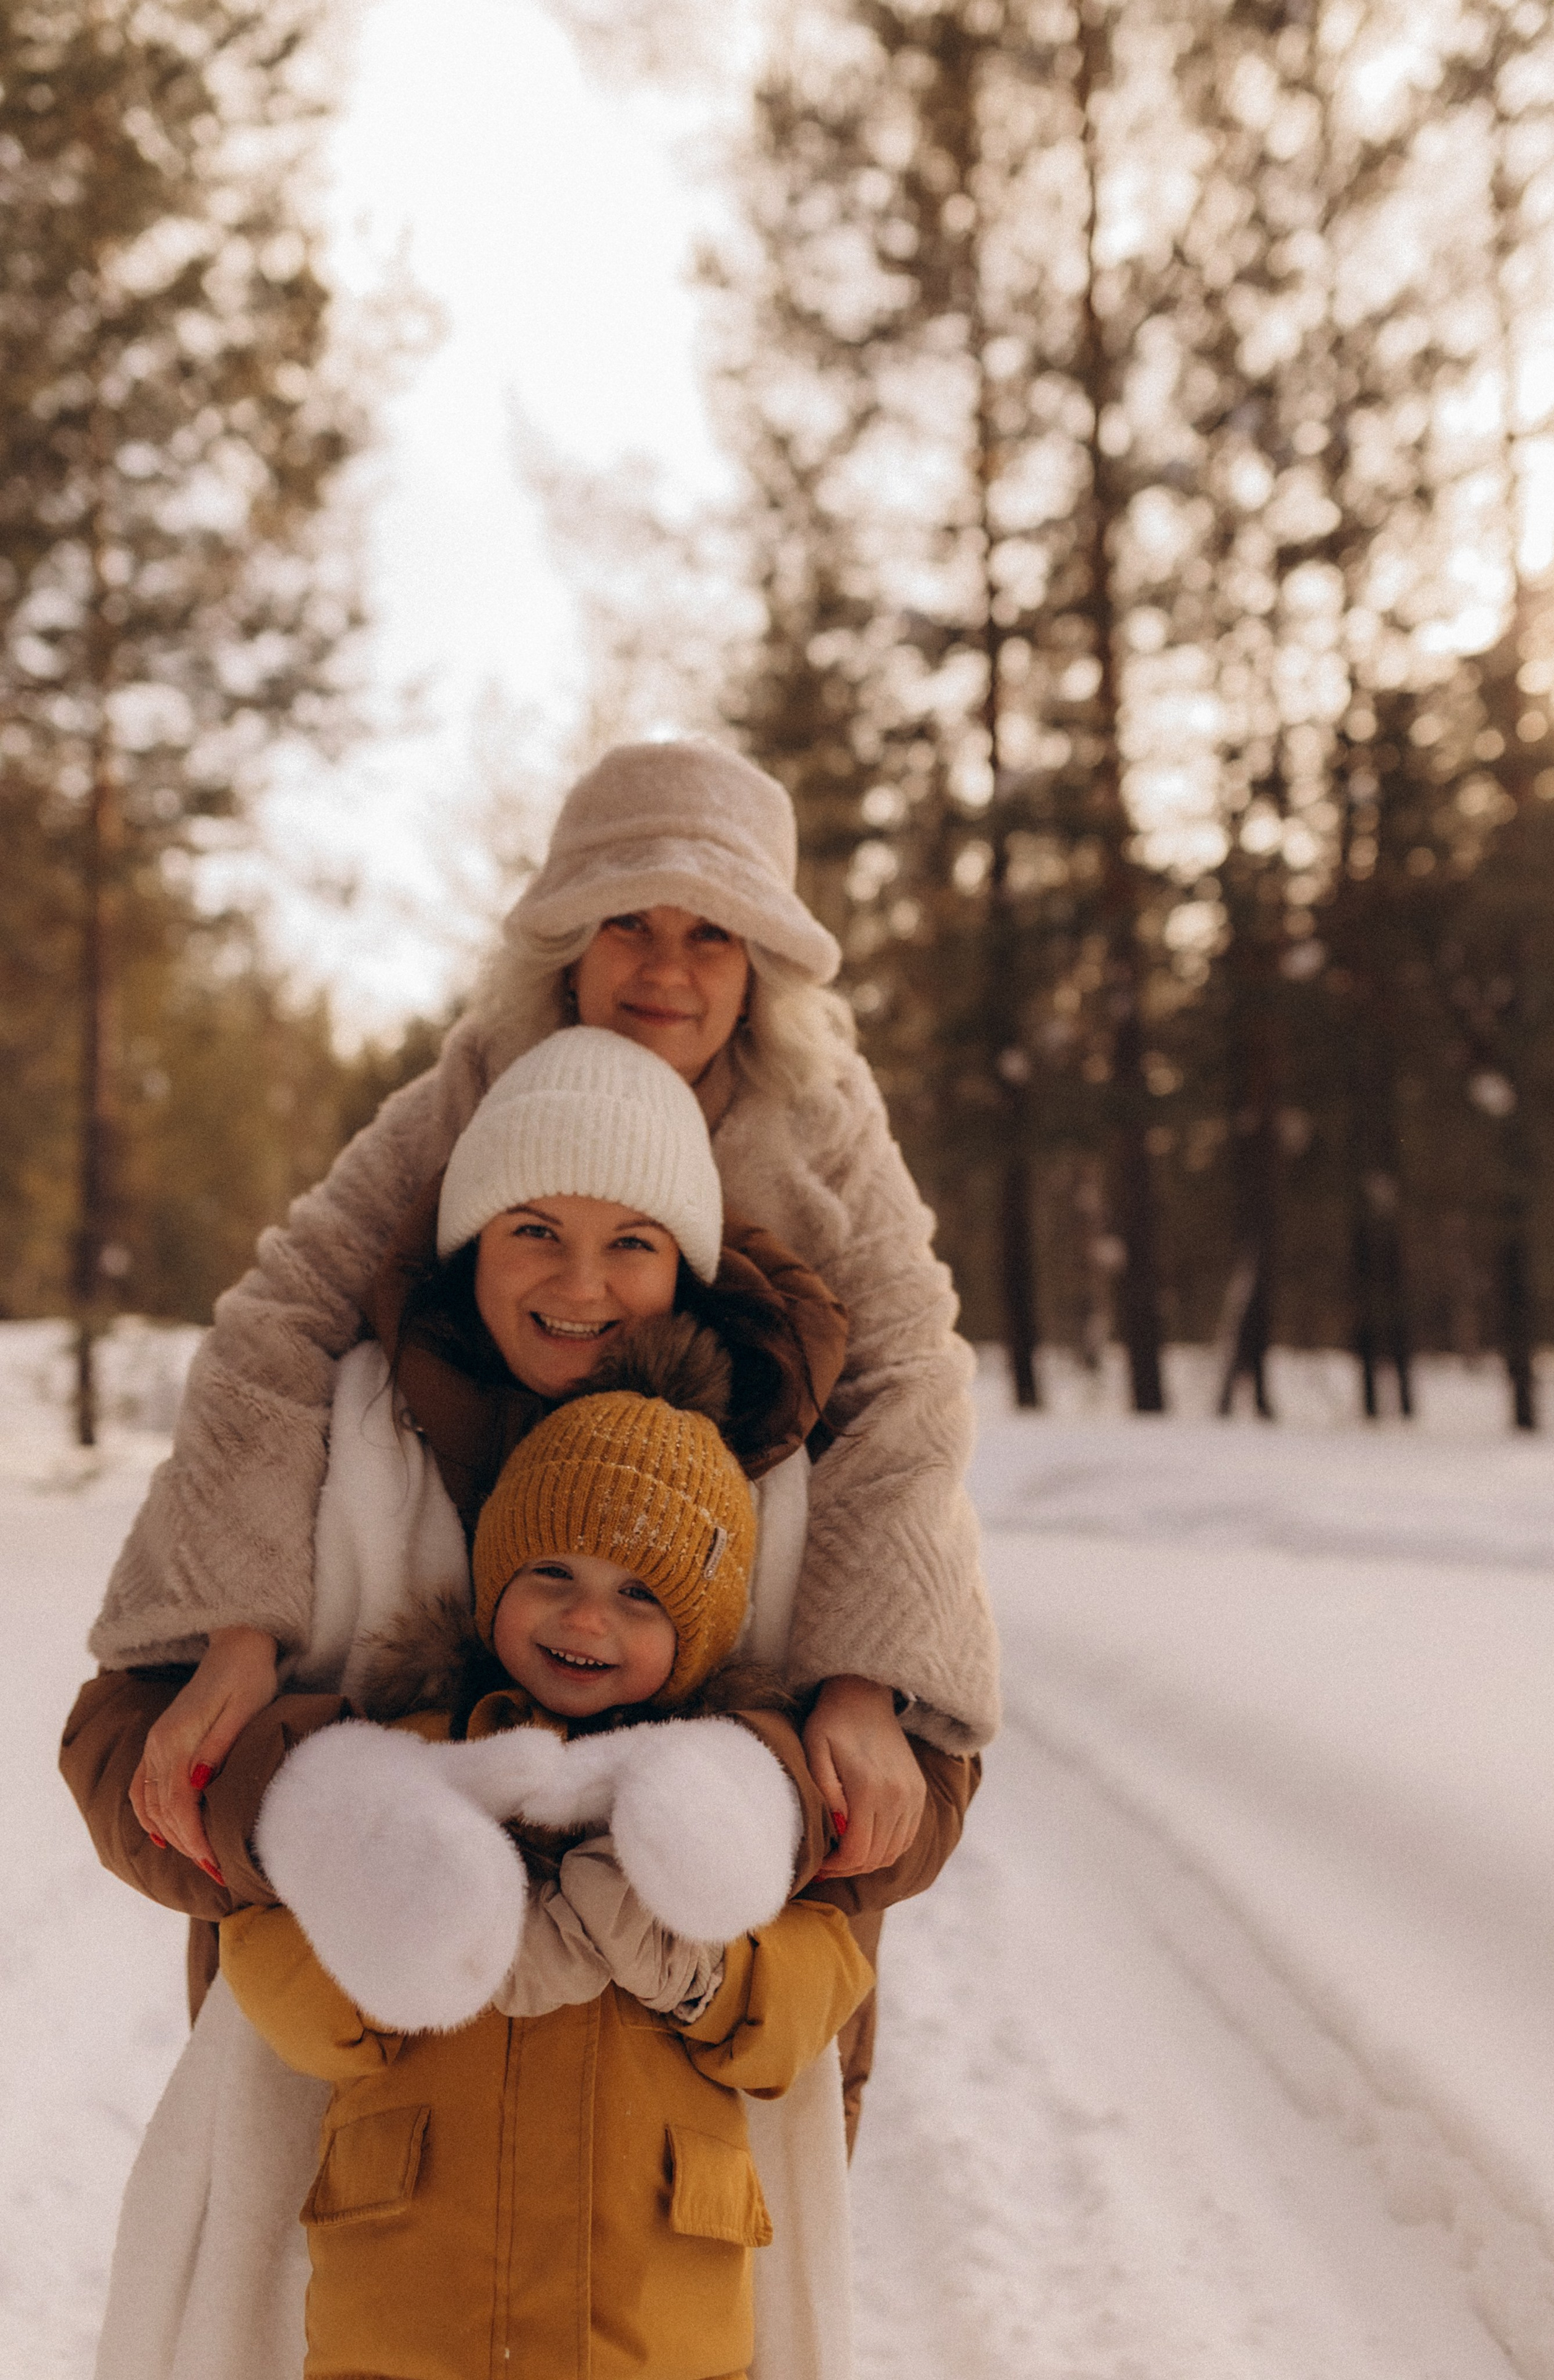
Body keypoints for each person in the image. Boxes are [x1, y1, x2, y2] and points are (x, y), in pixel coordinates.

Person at [66, 1023, 975, 2380]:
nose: (580, 1283)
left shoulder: (790, 1465)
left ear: (688, 1263)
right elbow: (126, 1753)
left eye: (634, 1243)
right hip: (363, 2161)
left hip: (674, 2189)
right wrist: (318, 1807)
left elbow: (894, 1821)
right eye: (530, 1231)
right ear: (462, 1243)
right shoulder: (337, 1429)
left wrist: (768, 1808)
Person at [82, 740, 999, 1933]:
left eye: (711, 933)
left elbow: (913, 1380)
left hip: (714, 1613)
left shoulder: (820, 1128)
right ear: (567, 945)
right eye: (629, 922)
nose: (666, 968)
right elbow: (281, 1316)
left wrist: (862, 1680)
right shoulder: (474, 1092)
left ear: (760, 967)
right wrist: (243, 1629)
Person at [221, 1344, 876, 2380]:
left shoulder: (735, 1787)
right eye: (553, 1576)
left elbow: (825, 1980)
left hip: (658, 2321)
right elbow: (265, 1959)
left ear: (697, 1630)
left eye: (639, 1596)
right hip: (408, 2316)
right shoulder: (419, 1756)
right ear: (495, 1582)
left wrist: (701, 1972)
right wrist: (408, 1954)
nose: (585, 1620)